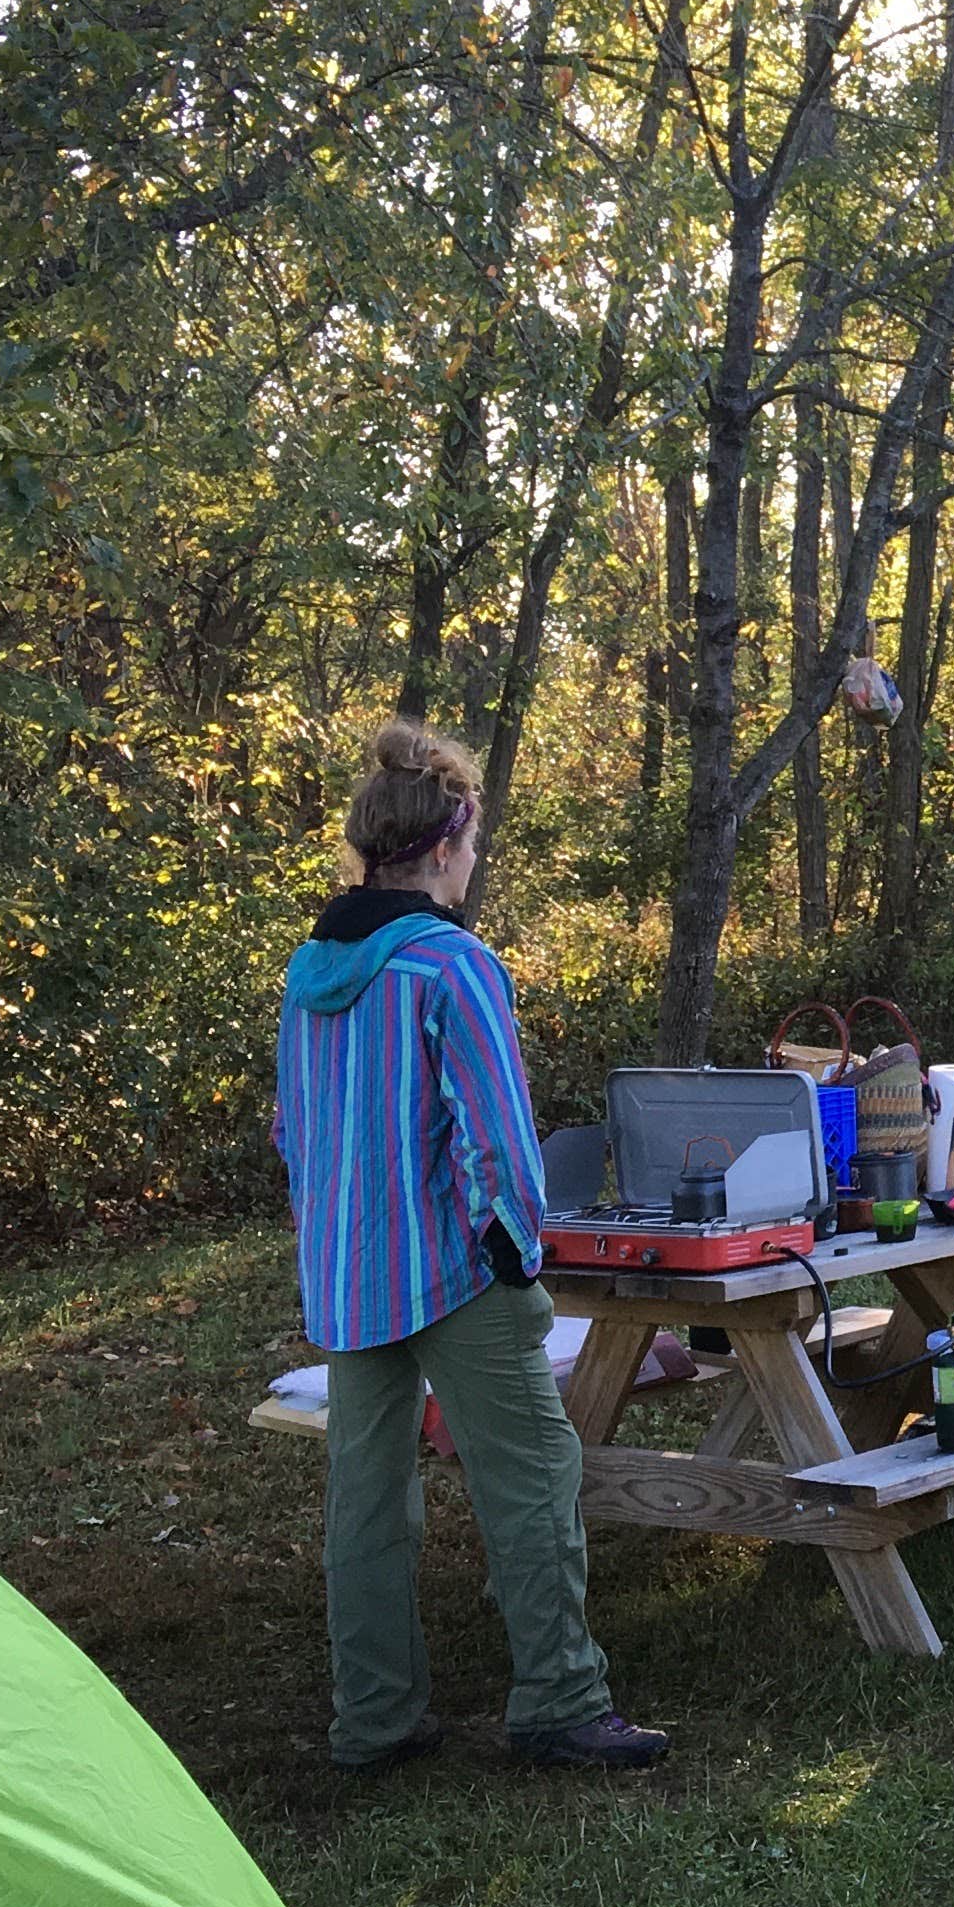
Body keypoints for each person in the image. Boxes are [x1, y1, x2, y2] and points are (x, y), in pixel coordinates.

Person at [273, 720, 665, 1774]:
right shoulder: (450, 965)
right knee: (533, 1473)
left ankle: (376, 1720)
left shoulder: (311, 969)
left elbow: (292, 1130)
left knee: (365, 1501)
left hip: (349, 1273)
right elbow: (498, 1136)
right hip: (455, 1269)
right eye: (475, 841)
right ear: (448, 844)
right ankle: (559, 1700)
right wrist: (519, 1256)